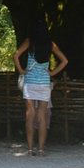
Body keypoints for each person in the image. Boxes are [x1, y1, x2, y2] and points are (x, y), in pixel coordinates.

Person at [14, 20, 68, 156]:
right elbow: (65, 61)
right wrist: (52, 73)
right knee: (42, 116)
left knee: (29, 115)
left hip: (30, 82)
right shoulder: (50, 44)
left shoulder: (29, 41)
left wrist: (21, 70)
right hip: (44, 83)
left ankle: (31, 149)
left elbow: (16, 55)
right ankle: (41, 149)